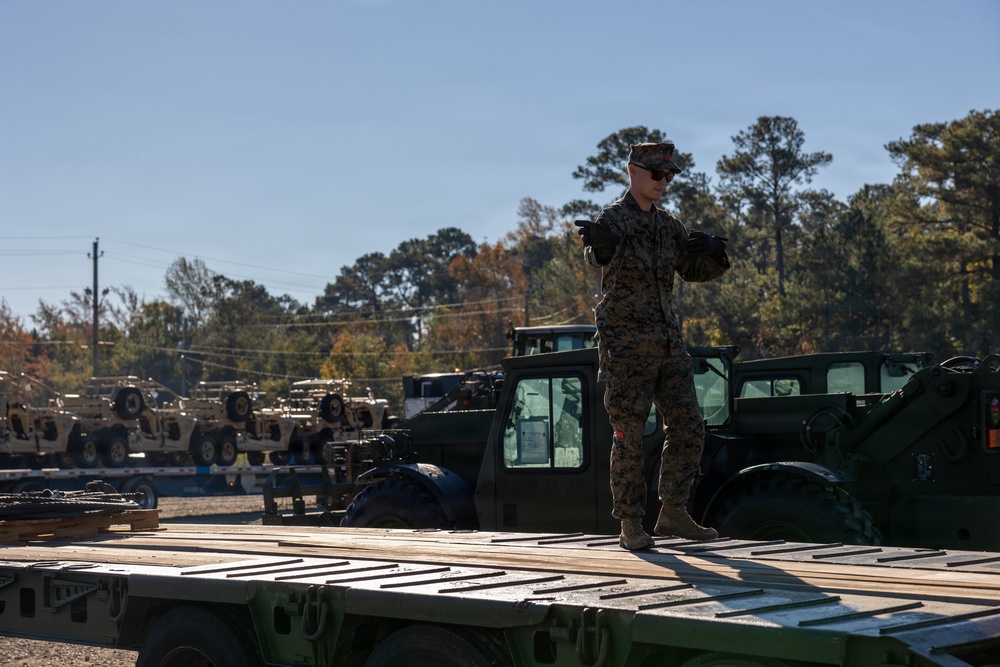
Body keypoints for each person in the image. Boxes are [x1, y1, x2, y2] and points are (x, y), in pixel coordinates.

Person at [574, 141, 730, 551]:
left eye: (668, 175)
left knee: (690, 427)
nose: (663, 182)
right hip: (625, 346)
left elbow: (692, 271)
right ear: (633, 172)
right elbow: (597, 255)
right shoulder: (614, 219)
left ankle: (673, 512)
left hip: (667, 343)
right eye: (656, 174)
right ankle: (630, 524)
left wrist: (714, 253)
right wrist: (600, 244)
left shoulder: (668, 226)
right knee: (628, 433)